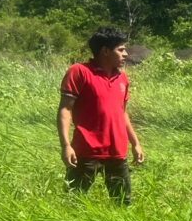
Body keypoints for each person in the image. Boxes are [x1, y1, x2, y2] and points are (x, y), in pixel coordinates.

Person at [58, 27, 144, 203]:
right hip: (86, 151)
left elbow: (123, 113)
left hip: (117, 152)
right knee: (73, 202)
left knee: (122, 203)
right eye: (121, 50)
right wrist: (66, 145)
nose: (126, 54)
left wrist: (135, 143)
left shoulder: (122, 78)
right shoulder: (79, 72)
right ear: (105, 51)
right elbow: (65, 110)